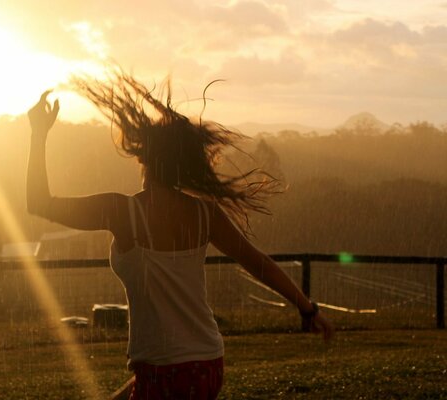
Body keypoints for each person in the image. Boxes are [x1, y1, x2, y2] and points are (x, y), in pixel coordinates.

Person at [26, 71, 334, 399]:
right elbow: (256, 261)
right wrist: (307, 309)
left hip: (164, 371)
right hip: (206, 364)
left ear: (144, 158)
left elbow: (39, 204)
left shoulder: (123, 212)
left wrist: (38, 134)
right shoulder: (205, 213)